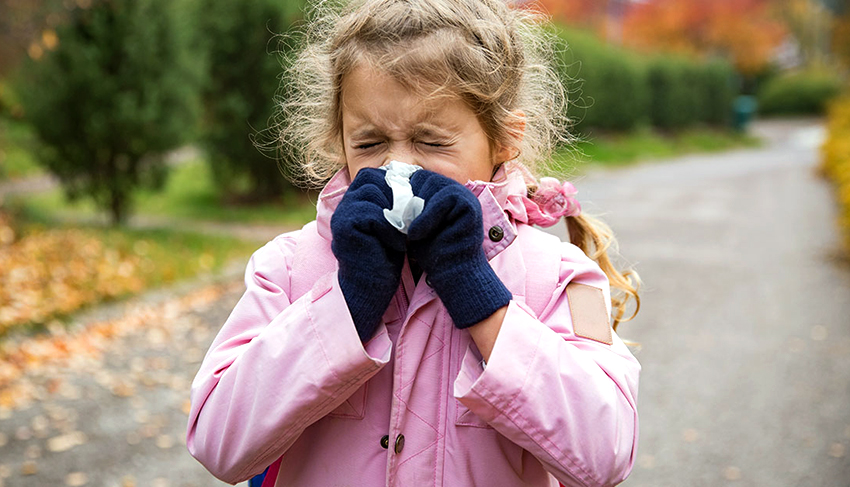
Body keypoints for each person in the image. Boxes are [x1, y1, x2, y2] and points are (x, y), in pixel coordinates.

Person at [186, 0, 642, 486]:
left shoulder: (553, 276)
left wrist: (476, 292)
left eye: (432, 141)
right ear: (338, 140)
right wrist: (349, 303)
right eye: (369, 143)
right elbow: (218, 445)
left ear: (505, 139)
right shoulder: (289, 268)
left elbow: (606, 455)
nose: (396, 169)